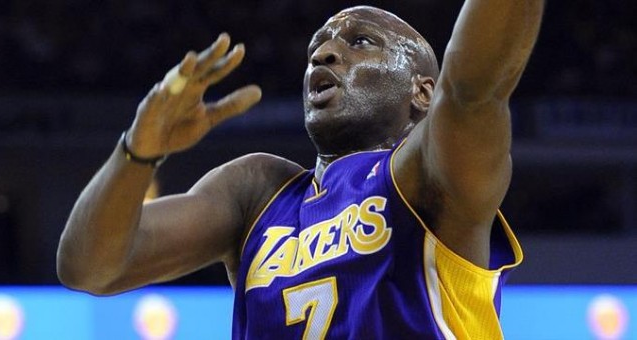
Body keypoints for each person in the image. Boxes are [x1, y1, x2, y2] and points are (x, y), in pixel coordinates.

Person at [57, 2, 543, 339]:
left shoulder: (428, 173)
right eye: (319, 46)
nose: (324, 54)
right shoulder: (257, 193)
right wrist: (138, 152)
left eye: (361, 41)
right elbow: (90, 268)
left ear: (422, 92)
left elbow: (474, 86)